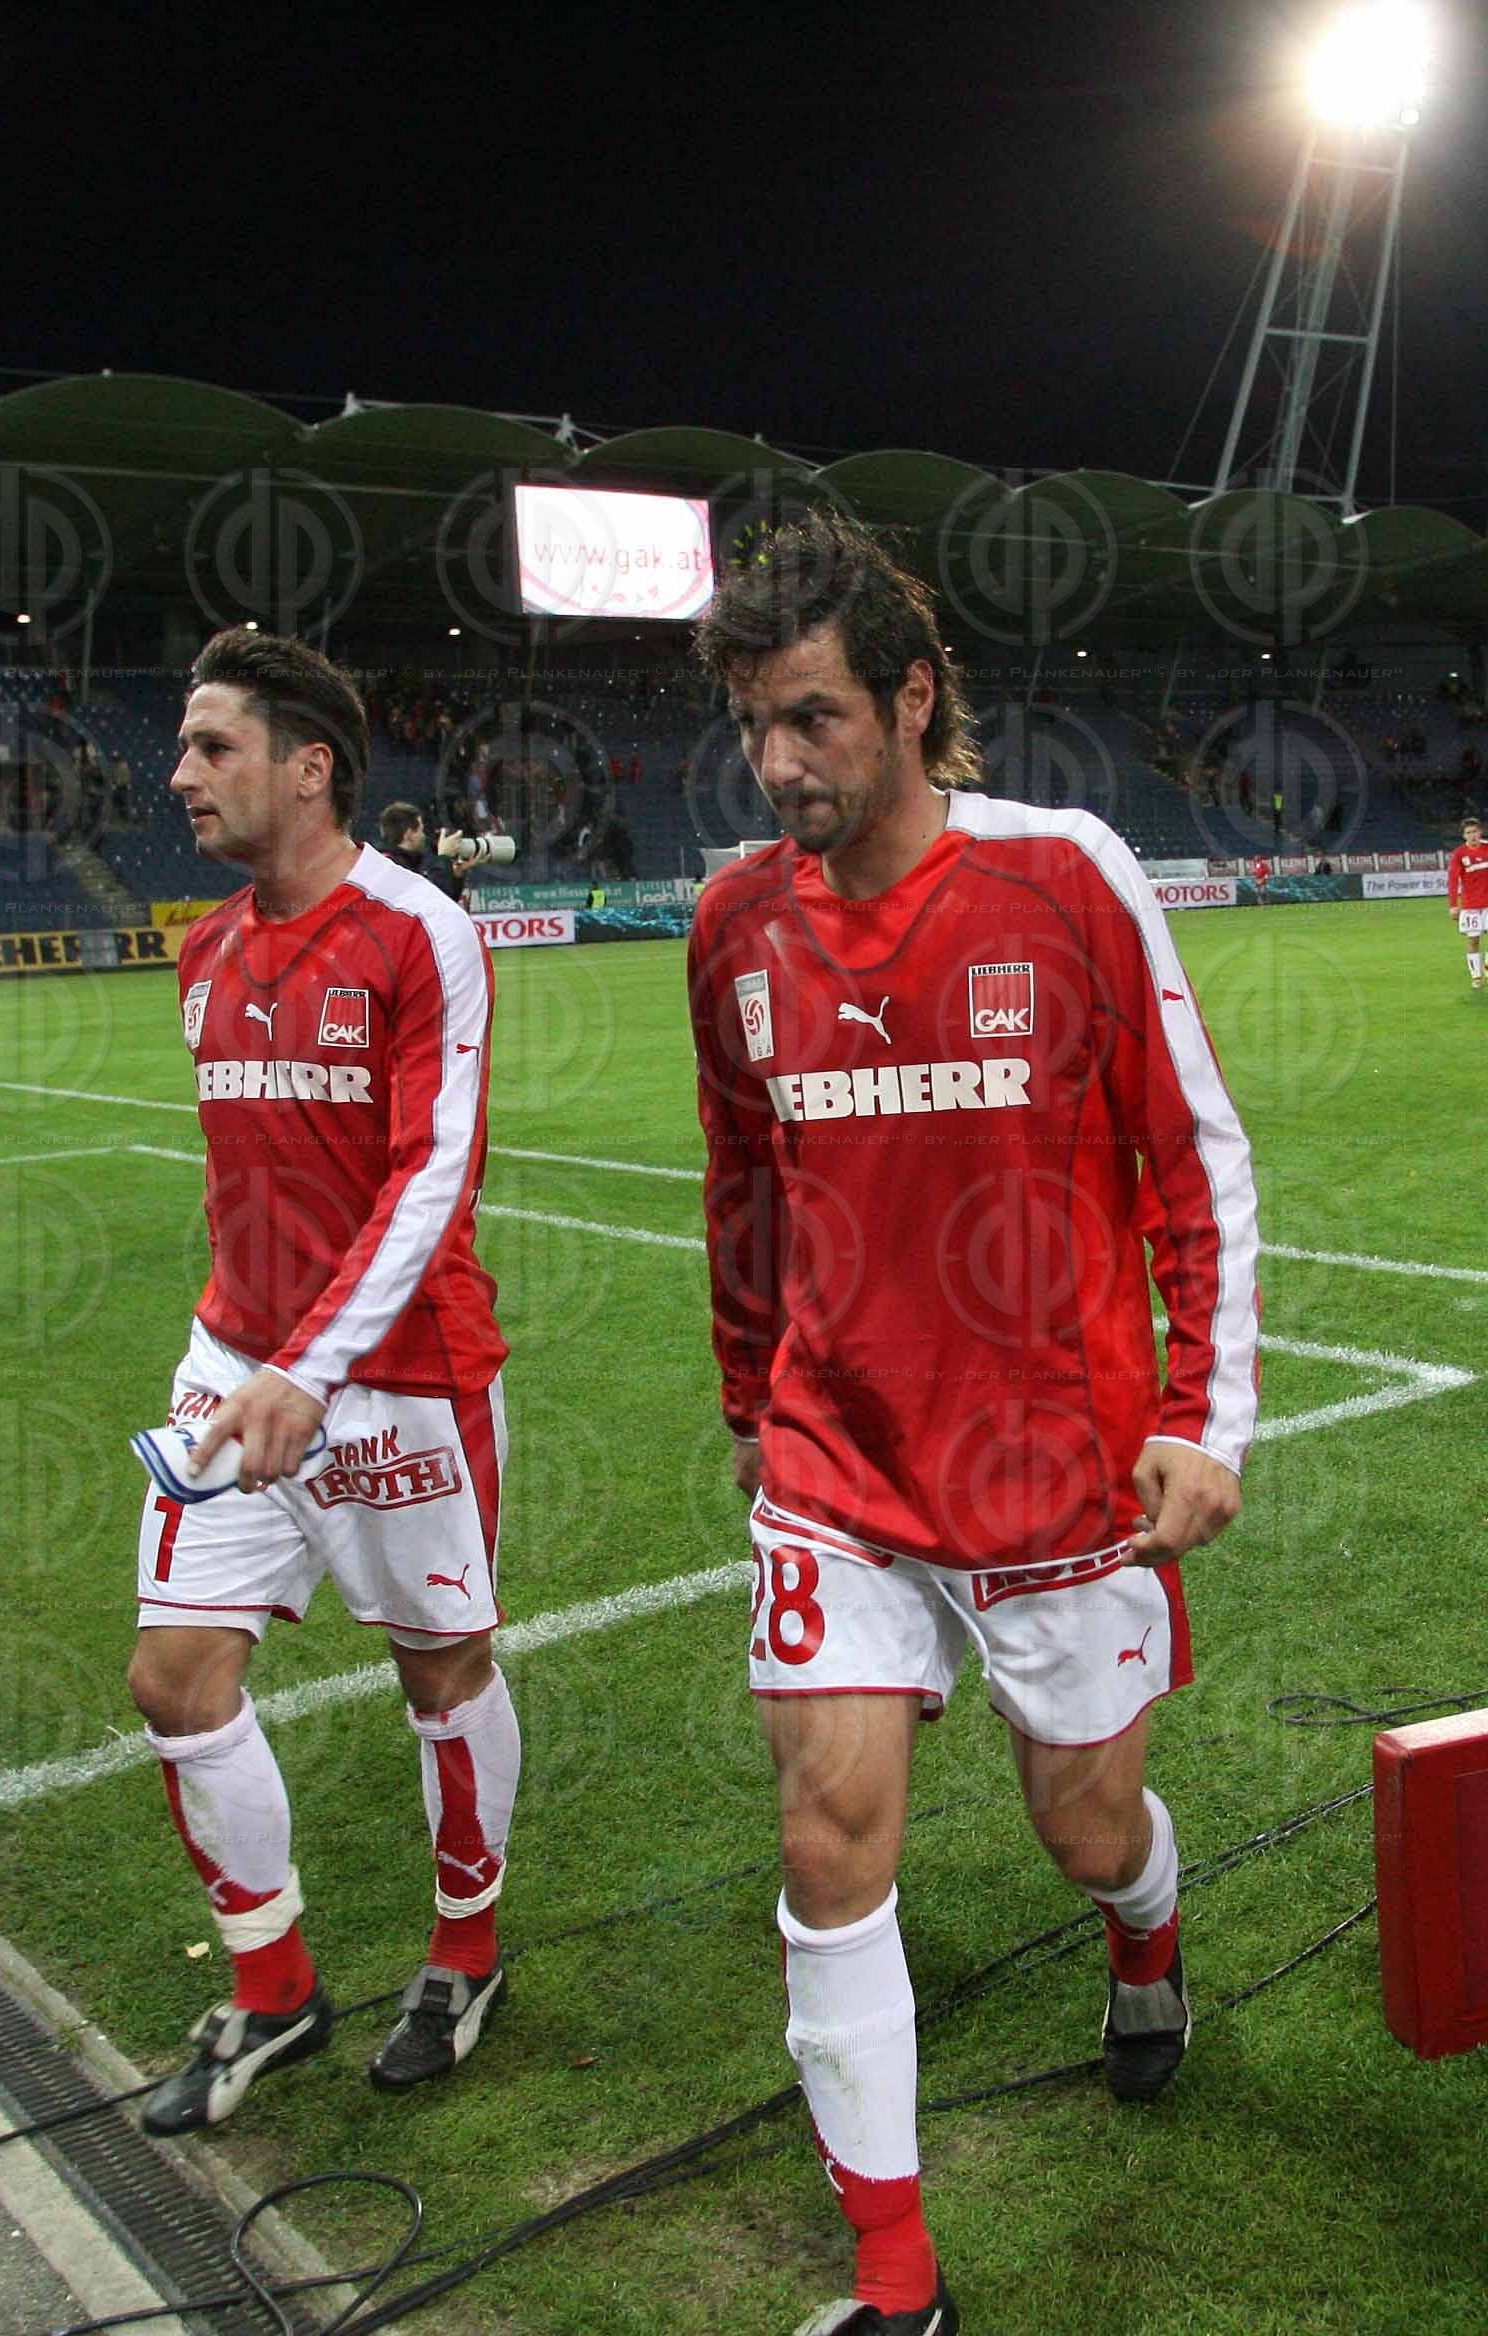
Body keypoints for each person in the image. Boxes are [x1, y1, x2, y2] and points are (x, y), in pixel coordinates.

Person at [686, 513, 1259, 2336]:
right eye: (751, 726)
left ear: (912, 700)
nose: (777, 762)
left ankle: (1144, 1929)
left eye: (810, 717)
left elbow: (1192, 1158)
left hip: (1054, 1473)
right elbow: (742, 1191)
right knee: (825, 1835)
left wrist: (1203, 1414)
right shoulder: (731, 923)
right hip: (837, 1463)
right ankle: (895, 2279)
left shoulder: (1062, 875)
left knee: (1083, 1832)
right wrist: (749, 1402)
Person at [127, 630, 520, 2135]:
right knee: (174, 1679)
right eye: (184, 745)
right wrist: (262, 1359)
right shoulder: (204, 953)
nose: (180, 772)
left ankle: (466, 1948)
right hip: (235, 1367)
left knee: (441, 1675)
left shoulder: (421, 932)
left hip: (402, 1378)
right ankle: (273, 1985)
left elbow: (430, 1174)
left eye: (212, 745)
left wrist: (315, 1366)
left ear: (309, 768)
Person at [1446, 813, 1488, 991]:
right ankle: (1476, 977)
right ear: (1464, 835)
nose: (1473, 835)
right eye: (1469, 832)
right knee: (1473, 941)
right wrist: (1453, 905)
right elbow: (1453, 880)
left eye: (1475, 831)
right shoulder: (1459, 854)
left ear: (1480, 832)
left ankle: (1487, 969)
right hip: (1470, 905)